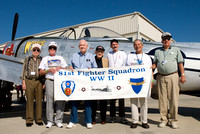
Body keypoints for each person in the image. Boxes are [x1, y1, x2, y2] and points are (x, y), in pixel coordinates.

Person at [151, 32, 186, 129]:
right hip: (161, 77)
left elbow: (180, 64)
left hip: (173, 76)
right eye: (164, 39)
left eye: (168, 39)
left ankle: (173, 120)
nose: (166, 40)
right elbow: (155, 64)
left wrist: (182, 75)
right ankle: (163, 120)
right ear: (161, 40)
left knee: (173, 99)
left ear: (170, 40)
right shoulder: (157, 52)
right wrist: (150, 68)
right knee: (162, 100)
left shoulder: (176, 50)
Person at [67, 39, 97, 129]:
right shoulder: (74, 56)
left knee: (88, 102)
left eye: (84, 45)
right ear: (78, 46)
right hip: (76, 81)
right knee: (74, 101)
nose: (82, 46)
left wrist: (92, 69)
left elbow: (95, 68)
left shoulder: (91, 56)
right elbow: (69, 65)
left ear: (87, 46)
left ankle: (88, 121)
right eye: (81, 45)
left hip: (86, 81)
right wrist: (69, 67)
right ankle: (73, 120)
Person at [39, 41, 67, 128]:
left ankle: (58, 120)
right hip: (49, 80)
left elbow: (66, 68)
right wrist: (49, 70)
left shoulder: (60, 58)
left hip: (59, 81)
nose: (52, 49)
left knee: (60, 101)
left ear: (56, 49)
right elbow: (41, 72)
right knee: (49, 101)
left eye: (54, 48)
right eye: (50, 48)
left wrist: (61, 68)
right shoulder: (45, 59)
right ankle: (50, 121)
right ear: (48, 49)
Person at [126, 39, 152, 129]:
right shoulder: (130, 56)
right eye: (135, 45)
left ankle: (144, 121)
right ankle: (135, 121)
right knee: (133, 103)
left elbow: (150, 71)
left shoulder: (147, 57)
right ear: (134, 46)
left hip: (143, 82)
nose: (137, 46)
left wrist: (151, 83)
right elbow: (125, 70)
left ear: (142, 45)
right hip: (133, 81)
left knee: (143, 103)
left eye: (139, 44)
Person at [21, 44, 44, 127]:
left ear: (40, 51)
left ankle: (38, 119)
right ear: (32, 51)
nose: (36, 52)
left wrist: (43, 83)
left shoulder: (42, 60)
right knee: (29, 101)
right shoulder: (27, 59)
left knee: (39, 101)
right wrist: (23, 83)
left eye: (38, 50)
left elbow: (44, 71)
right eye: (34, 50)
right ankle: (29, 120)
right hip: (29, 81)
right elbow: (23, 71)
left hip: (39, 81)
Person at [107, 39, 128, 124]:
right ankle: (112, 116)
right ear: (111, 46)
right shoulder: (108, 54)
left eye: (116, 44)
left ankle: (122, 117)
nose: (114, 46)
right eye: (113, 44)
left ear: (118, 45)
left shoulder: (122, 54)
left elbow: (126, 65)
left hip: (120, 78)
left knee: (121, 99)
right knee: (112, 99)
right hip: (112, 79)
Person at [91, 45, 108, 125]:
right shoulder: (91, 59)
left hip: (103, 84)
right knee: (93, 103)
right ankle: (93, 118)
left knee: (103, 103)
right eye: (98, 51)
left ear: (103, 52)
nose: (99, 53)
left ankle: (103, 119)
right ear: (95, 52)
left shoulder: (106, 60)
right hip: (93, 84)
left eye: (101, 51)